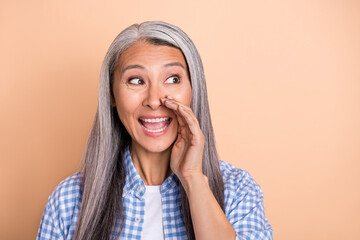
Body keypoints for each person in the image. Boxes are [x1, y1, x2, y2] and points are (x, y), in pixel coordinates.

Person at [37, 21, 273, 240]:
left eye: (172, 79)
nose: (154, 100)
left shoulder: (238, 191)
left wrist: (192, 178)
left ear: (193, 89)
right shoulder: (69, 200)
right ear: (111, 94)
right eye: (136, 80)